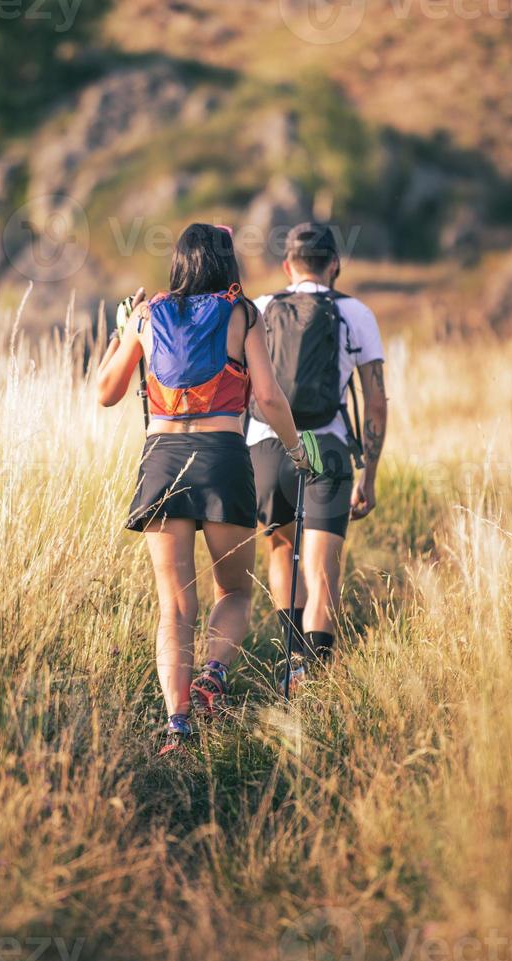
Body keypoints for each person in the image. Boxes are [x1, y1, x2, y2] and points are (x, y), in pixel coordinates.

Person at [96, 223, 321, 755]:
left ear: (178, 262)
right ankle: (213, 676)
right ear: (226, 263)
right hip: (222, 461)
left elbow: (106, 393)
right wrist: (294, 449)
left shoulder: (147, 314)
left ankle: (177, 724)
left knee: (174, 609)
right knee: (235, 592)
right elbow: (266, 396)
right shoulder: (243, 313)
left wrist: (119, 331)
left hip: (162, 462)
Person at [246, 222, 388, 690]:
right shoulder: (356, 313)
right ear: (335, 266)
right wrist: (368, 473)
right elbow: (376, 401)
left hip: (268, 447)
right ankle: (317, 678)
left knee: (283, 546)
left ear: (287, 266)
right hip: (325, 447)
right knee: (323, 564)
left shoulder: (263, 308)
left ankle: (291, 661)